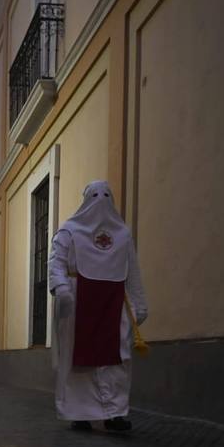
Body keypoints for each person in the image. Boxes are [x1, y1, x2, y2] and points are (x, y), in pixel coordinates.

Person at [48, 180, 148, 434]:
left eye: (106, 195)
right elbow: (56, 263)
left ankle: (114, 414)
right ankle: (79, 414)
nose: (100, 200)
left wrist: (139, 303)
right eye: (95, 195)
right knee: (78, 362)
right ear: (85, 199)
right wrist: (61, 288)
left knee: (117, 361)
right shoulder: (68, 231)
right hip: (77, 302)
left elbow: (133, 272)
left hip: (114, 304)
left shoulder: (123, 235)